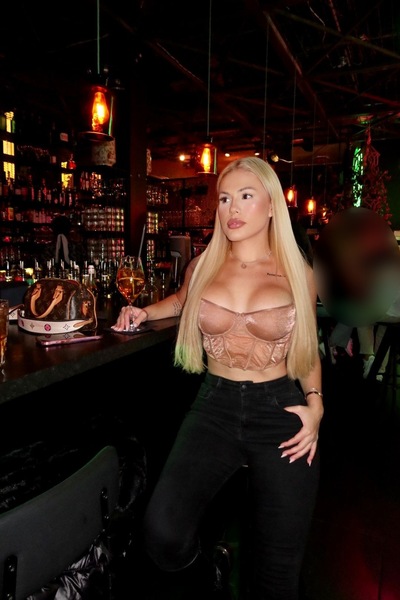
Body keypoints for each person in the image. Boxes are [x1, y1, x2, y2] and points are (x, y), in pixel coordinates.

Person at [113, 157, 323, 599]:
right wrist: (142, 312)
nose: (233, 208)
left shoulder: (298, 272)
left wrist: (316, 404)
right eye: (225, 199)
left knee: (277, 571)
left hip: (280, 411)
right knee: (162, 533)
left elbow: (307, 349)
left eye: (246, 196)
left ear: (271, 206)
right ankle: (210, 574)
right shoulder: (204, 264)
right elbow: (180, 301)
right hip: (215, 406)